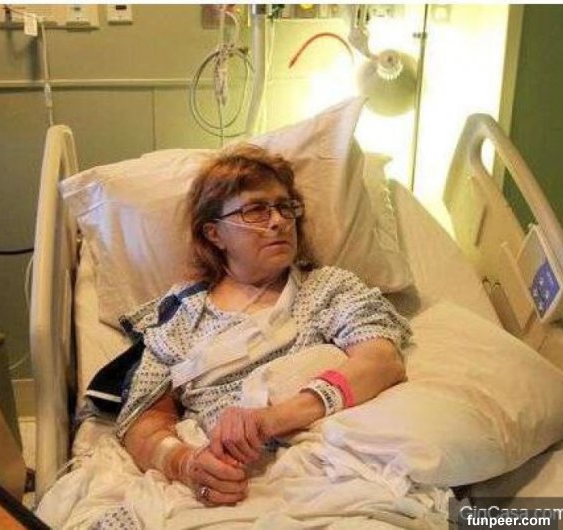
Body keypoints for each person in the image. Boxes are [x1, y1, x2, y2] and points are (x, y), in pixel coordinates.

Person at [116, 144, 411, 507]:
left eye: (285, 207)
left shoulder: (327, 289)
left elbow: (382, 361)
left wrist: (270, 420)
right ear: (214, 233)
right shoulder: (181, 313)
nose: (278, 221)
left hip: (322, 467)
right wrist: (186, 464)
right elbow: (144, 418)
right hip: (221, 479)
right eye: (256, 210)